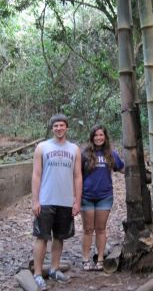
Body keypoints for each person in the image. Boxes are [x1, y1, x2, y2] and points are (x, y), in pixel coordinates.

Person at [31, 113, 82, 291]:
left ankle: (54, 269)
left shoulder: (74, 149)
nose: (59, 128)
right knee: (41, 237)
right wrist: (35, 200)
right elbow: (36, 175)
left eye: (62, 125)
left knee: (59, 237)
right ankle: (38, 273)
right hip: (46, 200)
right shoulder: (42, 147)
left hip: (66, 200)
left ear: (67, 128)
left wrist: (77, 201)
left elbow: (77, 176)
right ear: (52, 128)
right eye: (56, 126)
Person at [81, 124, 124, 271]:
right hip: (86, 196)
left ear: (105, 137)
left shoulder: (110, 154)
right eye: (96, 135)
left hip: (104, 196)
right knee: (88, 229)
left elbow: (122, 168)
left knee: (100, 228)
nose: (99, 138)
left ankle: (100, 259)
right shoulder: (84, 153)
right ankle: (85, 259)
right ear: (92, 137)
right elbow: (76, 175)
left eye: (101, 135)